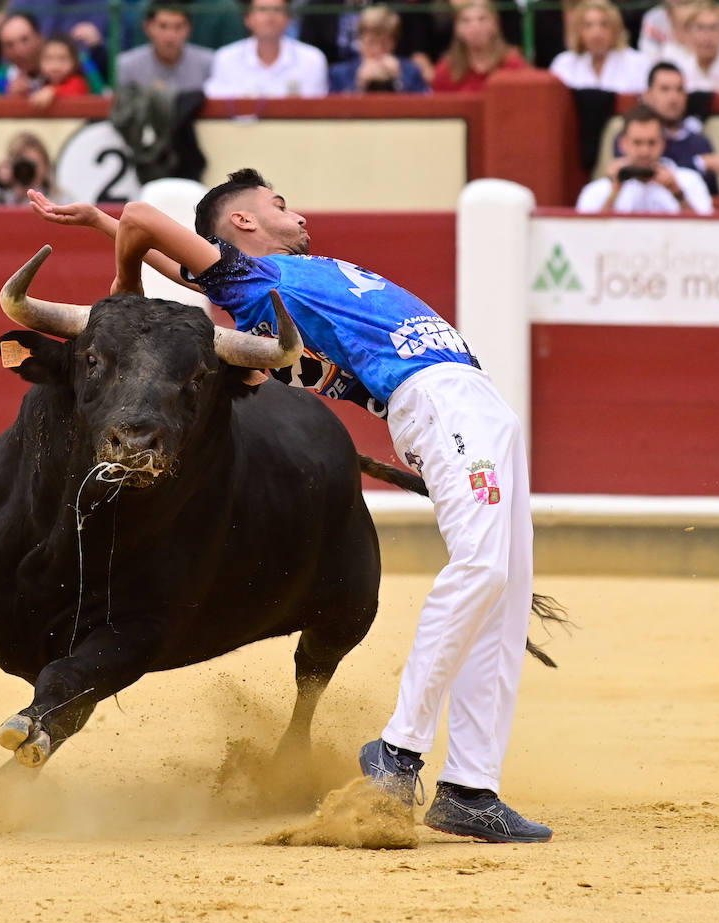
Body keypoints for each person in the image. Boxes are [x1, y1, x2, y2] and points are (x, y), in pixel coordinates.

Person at [29, 168, 553, 843]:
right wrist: (124, 281)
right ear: (242, 223)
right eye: (279, 204)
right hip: (440, 400)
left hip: (475, 406)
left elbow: (166, 250)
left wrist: (108, 230)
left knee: (504, 594)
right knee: (482, 570)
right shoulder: (255, 284)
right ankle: (397, 750)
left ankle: (470, 789)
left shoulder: (256, 286)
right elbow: (142, 214)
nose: (296, 213)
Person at [614, 61, 719, 195]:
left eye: (679, 90)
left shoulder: (700, 142)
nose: (673, 97)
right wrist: (701, 163)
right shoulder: (632, 135)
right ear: (647, 96)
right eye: (665, 89)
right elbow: (640, 172)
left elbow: (710, 196)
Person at [579, 103, 714, 214]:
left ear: (663, 143)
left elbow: (705, 233)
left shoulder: (689, 180)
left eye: (652, 143)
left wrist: (677, 193)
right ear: (622, 143)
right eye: (637, 142)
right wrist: (614, 192)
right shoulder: (597, 190)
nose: (645, 151)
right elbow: (589, 237)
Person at [202, 0, 328, 98]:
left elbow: (315, 111)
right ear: (247, 19)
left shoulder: (312, 59)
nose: (270, 16)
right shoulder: (225, 58)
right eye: (262, 10)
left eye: (277, 9)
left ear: (289, 19)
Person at [548, 0, 649, 93]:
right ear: (579, 32)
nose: (596, 33)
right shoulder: (563, 64)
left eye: (604, 24)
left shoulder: (638, 63)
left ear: (616, 29)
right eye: (588, 25)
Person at [114, 1, 214, 95]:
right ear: (148, 27)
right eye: (163, 26)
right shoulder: (126, 65)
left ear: (189, 28)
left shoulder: (209, 63)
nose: (170, 36)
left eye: (178, 27)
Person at [430, 0, 526, 93]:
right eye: (466, 20)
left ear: (495, 24)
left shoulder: (515, 66)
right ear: (457, 28)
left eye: (482, 19)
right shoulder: (444, 71)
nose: (475, 27)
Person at [329, 5, 428, 94]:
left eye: (384, 43)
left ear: (394, 42)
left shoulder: (411, 71)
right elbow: (332, 110)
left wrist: (398, 81)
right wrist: (359, 85)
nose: (378, 50)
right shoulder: (339, 74)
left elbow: (421, 108)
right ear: (360, 40)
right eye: (371, 42)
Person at [0, 131, 63, 205]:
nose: (26, 171)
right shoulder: (0, 197)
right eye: (23, 164)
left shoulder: (59, 202)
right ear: (11, 167)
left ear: (46, 167)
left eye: (33, 164)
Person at [29, 34, 94, 106]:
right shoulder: (41, 83)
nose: (55, 66)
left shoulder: (78, 82)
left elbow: (74, 92)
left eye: (62, 59)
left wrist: (52, 92)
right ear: (39, 62)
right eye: (48, 59)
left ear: (74, 62)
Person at [0, 13, 43, 95]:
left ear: (39, 38)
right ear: (2, 52)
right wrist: (9, 95)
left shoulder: (60, 70)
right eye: (10, 45)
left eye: (25, 40)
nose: (19, 50)